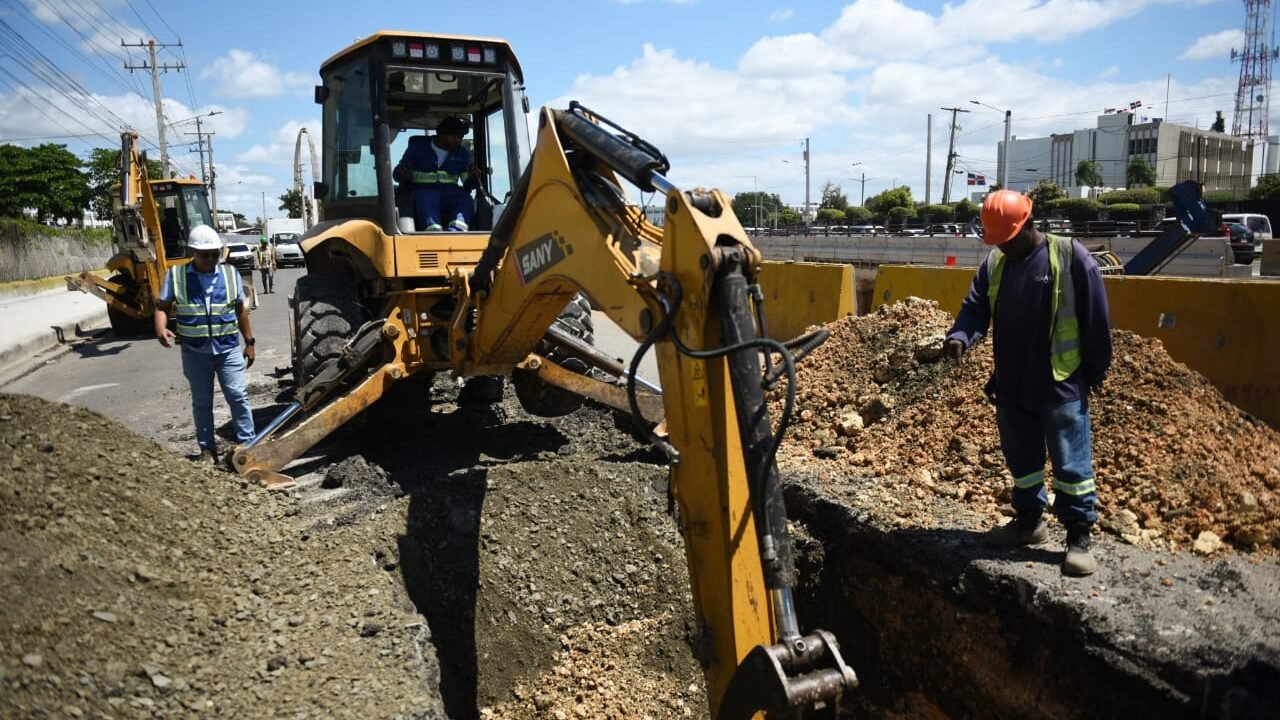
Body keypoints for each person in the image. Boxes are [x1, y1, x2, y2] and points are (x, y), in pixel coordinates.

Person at [942, 190, 1111, 576]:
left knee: (1071, 463)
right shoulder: (997, 263)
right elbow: (975, 307)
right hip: (1012, 383)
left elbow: (1096, 317)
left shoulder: (1069, 256)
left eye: (1007, 240)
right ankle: (1029, 522)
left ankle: (1078, 535)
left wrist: (1097, 371)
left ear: (1027, 227)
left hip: (1060, 382)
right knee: (1023, 463)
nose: (1002, 247)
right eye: (996, 242)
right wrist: (960, 337)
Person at [154, 224, 257, 466]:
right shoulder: (177, 276)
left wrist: (249, 342)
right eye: (204, 255)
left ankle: (249, 446)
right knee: (202, 401)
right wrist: (161, 328)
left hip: (228, 348)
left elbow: (241, 312)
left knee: (238, 395)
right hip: (195, 352)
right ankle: (207, 450)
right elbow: (162, 306)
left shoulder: (230, 274)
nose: (211, 259)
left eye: (214, 254)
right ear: (192, 252)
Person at [394, 116, 480, 231]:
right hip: (422, 190)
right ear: (442, 134)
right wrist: (401, 172)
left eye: (460, 137)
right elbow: (398, 174)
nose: (458, 140)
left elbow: (468, 184)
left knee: (466, 199)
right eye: (454, 136)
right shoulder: (417, 148)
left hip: (451, 193)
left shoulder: (462, 153)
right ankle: (434, 233)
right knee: (426, 199)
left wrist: (473, 178)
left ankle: (456, 232)